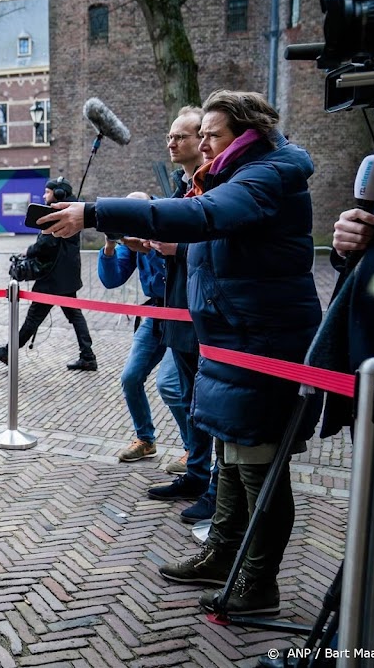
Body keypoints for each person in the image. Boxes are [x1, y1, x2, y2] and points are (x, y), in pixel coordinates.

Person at [41, 90, 322, 616]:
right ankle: (222, 555)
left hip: (260, 341)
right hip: (232, 335)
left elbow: (214, 217)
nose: (205, 147)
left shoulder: (267, 173)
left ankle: (258, 584)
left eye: (211, 136)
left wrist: (97, 211)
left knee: (258, 464)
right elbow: (223, 239)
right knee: (231, 457)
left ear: (243, 134)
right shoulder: (239, 173)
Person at [145, 106, 218, 524]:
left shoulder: (218, 187)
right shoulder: (182, 187)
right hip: (178, 310)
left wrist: (179, 248)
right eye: (170, 137)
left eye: (182, 136)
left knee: (200, 400)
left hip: (201, 314)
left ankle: (209, 483)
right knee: (185, 395)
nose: (172, 143)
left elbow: (219, 246)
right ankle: (196, 473)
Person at [97, 192, 186, 465]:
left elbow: (173, 255)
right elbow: (111, 280)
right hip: (154, 312)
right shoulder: (131, 237)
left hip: (182, 313)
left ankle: (194, 449)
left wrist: (143, 242)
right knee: (131, 377)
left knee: (171, 385)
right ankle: (145, 439)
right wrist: (111, 245)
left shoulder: (169, 223)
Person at [0, 177, 97, 371]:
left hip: (52, 277)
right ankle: (88, 356)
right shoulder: (72, 212)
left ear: (58, 194)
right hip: (66, 276)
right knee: (75, 316)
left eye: (47, 192)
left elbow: (47, 243)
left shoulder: (59, 214)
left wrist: (29, 251)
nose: (43, 195)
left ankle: (9, 351)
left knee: (34, 317)